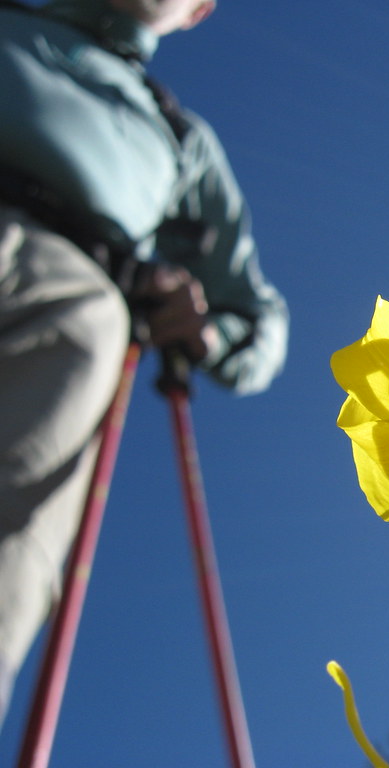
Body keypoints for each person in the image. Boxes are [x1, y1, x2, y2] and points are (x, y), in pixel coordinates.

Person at [0, 0, 289, 722]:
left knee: (87, 329)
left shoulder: (181, 139)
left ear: (197, 12)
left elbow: (257, 315)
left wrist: (206, 334)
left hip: (69, 290)